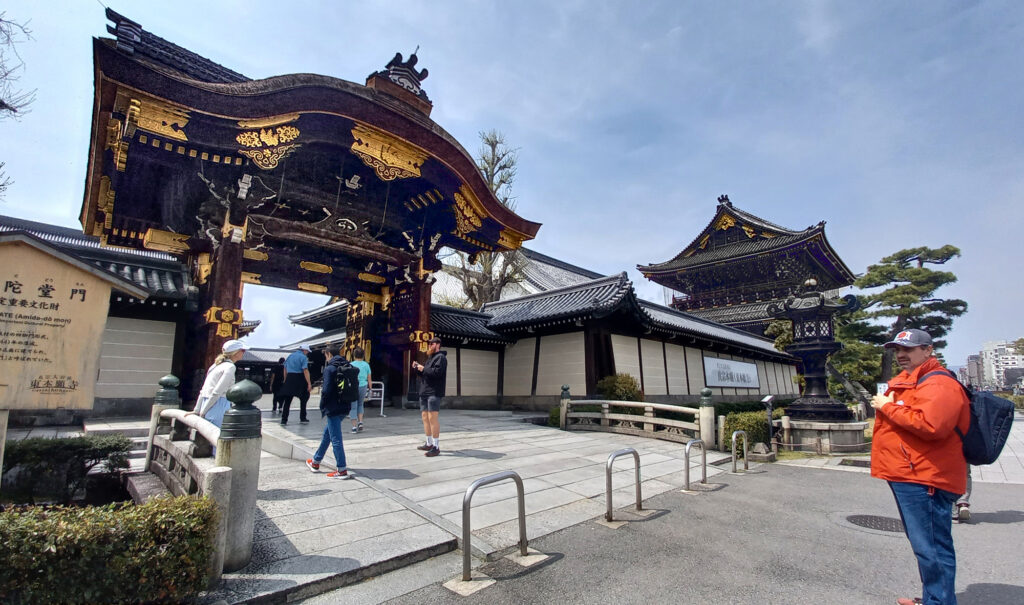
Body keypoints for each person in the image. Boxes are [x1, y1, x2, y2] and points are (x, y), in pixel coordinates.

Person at [870, 328, 970, 605]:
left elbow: (931, 425)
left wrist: (887, 407)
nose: (901, 355)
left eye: (909, 349)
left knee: (932, 547)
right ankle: (934, 598)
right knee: (926, 545)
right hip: (912, 471)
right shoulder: (916, 379)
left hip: (925, 475)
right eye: (898, 350)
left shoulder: (938, 383)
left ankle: (938, 602)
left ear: (928, 350)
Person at [306, 346, 355, 479]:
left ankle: (342, 469)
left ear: (328, 354)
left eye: (325, 355)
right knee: (328, 434)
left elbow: (326, 390)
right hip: (346, 405)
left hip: (333, 407)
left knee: (336, 439)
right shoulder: (348, 366)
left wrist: (323, 405)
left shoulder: (330, 368)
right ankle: (315, 461)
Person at [193, 339, 247, 428]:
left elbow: (203, 390)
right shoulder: (230, 367)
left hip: (206, 402)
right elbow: (217, 391)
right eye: (243, 350)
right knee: (217, 435)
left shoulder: (215, 366)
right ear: (236, 352)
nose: (243, 353)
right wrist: (203, 411)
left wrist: (198, 409)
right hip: (219, 404)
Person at [412, 336, 447, 457]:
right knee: (425, 417)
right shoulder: (430, 358)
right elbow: (425, 374)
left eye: (431, 344)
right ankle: (429, 442)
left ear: (438, 345)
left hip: (434, 392)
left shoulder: (441, 358)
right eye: (429, 344)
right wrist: (417, 368)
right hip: (425, 391)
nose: (429, 346)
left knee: (433, 418)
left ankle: (436, 446)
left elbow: (437, 373)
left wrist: (424, 368)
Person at [280, 344, 312, 425]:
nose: (307, 353)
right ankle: (303, 418)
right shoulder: (303, 357)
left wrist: (285, 379)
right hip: (299, 378)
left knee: (287, 401)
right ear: (304, 350)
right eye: (307, 351)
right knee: (304, 398)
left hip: (289, 378)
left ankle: (284, 420)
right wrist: (309, 383)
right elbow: (305, 370)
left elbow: (285, 368)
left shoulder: (290, 356)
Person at [349, 346, 372, 433]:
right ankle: (361, 422)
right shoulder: (366, 365)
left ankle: (354, 426)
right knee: (360, 404)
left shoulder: (351, 364)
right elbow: (369, 378)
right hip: (363, 385)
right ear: (363, 355)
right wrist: (370, 388)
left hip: (354, 386)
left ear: (354, 355)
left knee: (353, 406)